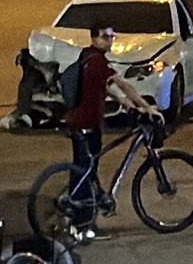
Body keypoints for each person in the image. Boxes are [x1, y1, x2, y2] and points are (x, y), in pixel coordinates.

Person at [64, 24, 162, 236]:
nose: (110, 40)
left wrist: (127, 103)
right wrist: (146, 107)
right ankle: (81, 226)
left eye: (112, 36)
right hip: (86, 126)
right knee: (86, 174)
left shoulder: (88, 56)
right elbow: (122, 84)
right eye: (106, 36)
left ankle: (81, 219)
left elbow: (106, 87)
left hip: (80, 123)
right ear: (94, 38)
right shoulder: (97, 61)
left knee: (85, 171)